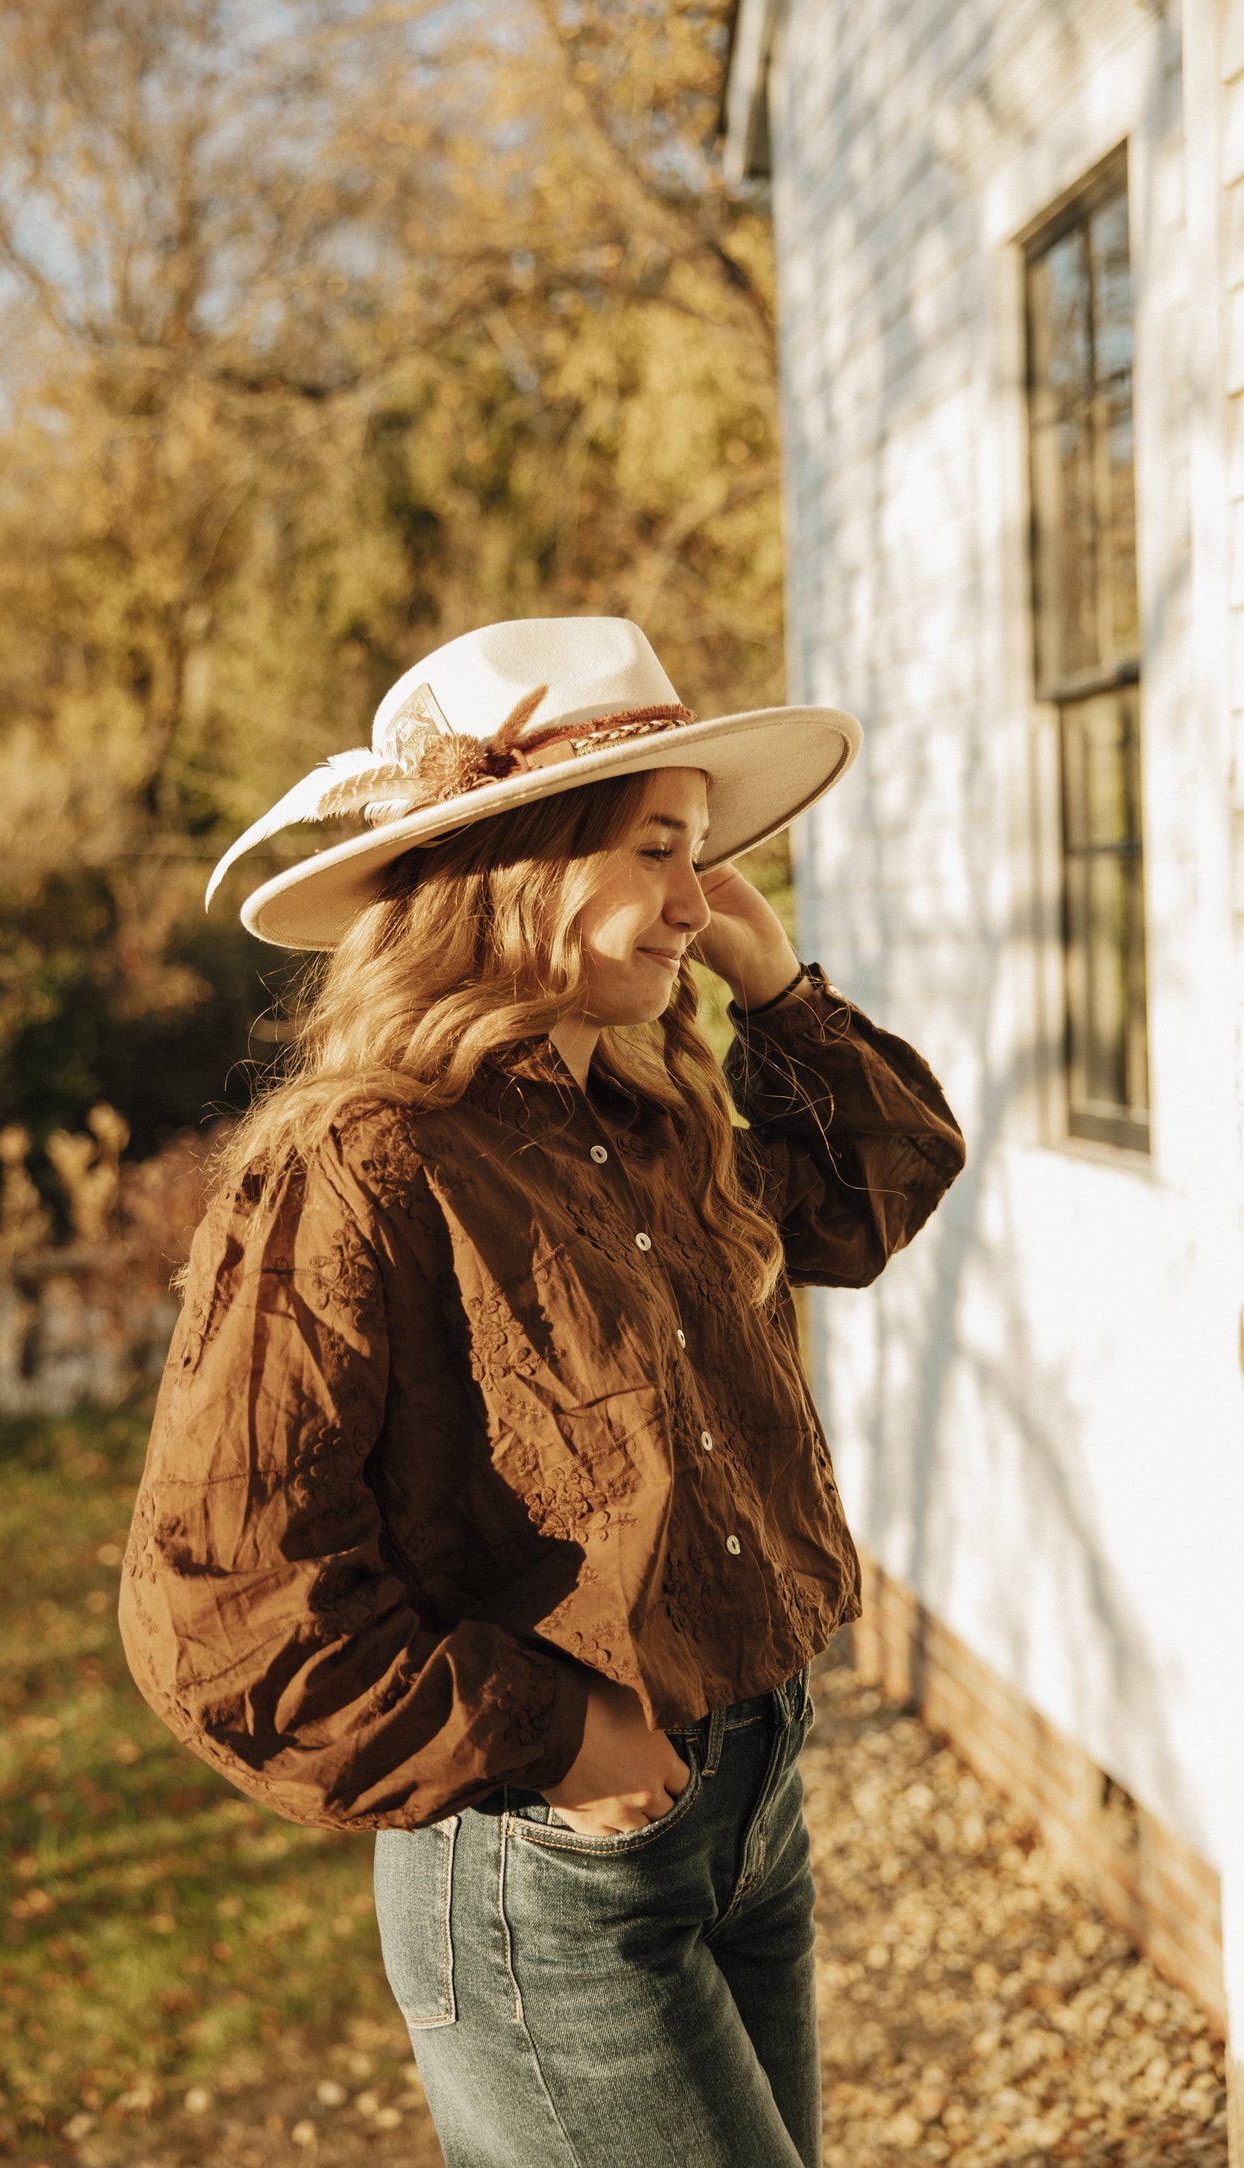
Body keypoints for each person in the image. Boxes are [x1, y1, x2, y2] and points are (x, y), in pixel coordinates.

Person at [119, 617, 965, 2168]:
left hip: (750, 1814)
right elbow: (226, 1605)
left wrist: (775, 989)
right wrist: (561, 1740)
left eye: (700, 857)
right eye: (657, 850)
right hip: (551, 1865)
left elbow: (876, 1190)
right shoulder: (360, 1164)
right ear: (519, 861)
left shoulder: (648, 1118)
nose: (696, 903)